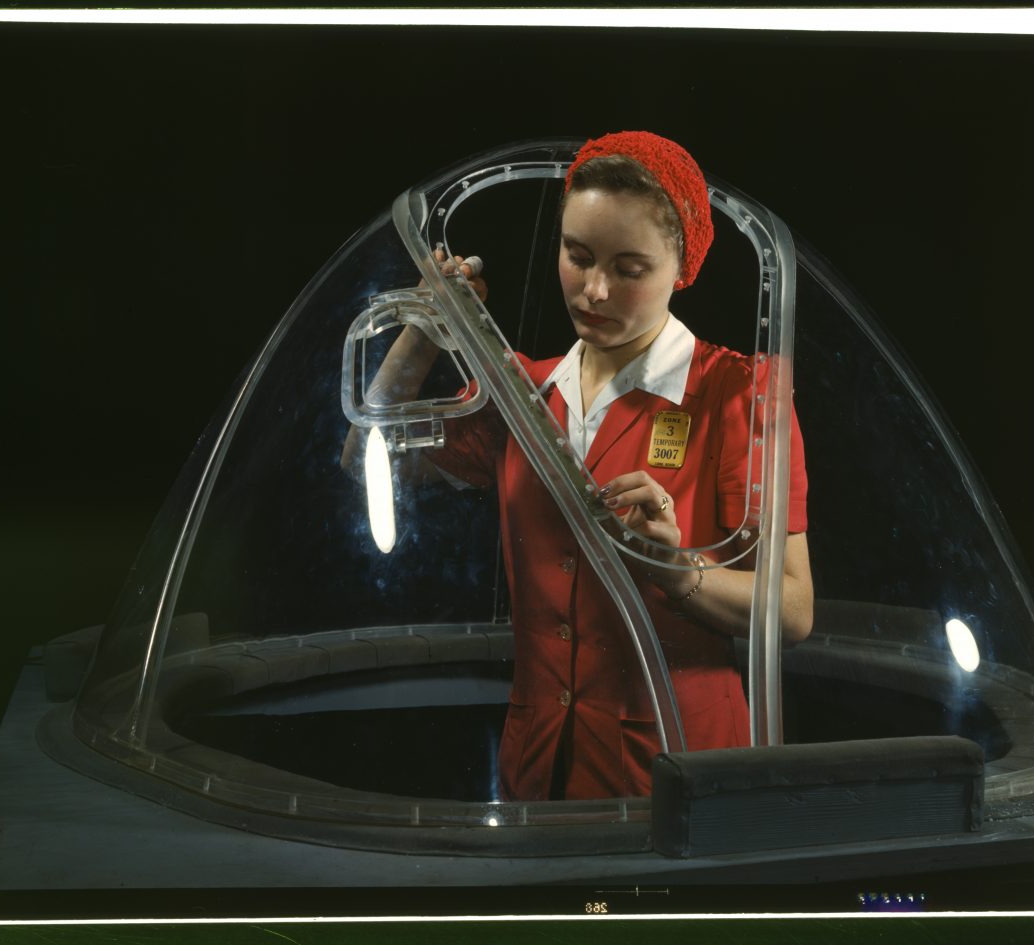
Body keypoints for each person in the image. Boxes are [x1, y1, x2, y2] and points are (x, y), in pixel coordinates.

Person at [344, 131, 812, 801]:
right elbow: (363, 458)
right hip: (538, 775)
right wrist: (424, 328)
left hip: (683, 773)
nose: (594, 290)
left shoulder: (738, 395)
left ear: (682, 266)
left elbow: (794, 610)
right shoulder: (521, 394)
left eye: (629, 269)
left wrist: (679, 573)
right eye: (577, 256)